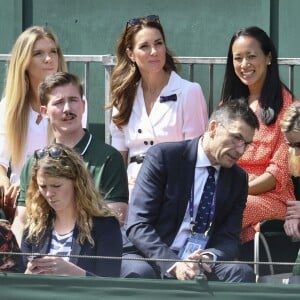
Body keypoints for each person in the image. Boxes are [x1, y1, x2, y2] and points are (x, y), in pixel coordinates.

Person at [121, 98, 259, 282]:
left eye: (246, 144)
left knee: (241, 273)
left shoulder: (238, 179)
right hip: (150, 255)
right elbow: (138, 225)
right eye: (237, 138)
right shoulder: (165, 157)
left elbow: (229, 238)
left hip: (198, 261)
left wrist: (207, 257)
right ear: (213, 128)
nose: (241, 150)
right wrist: (173, 263)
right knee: (139, 273)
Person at [11, 72, 128, 246]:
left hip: (92, 251)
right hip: (41, 253)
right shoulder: (35, 162)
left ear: (83, 105)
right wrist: (22, 262)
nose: (67, 109)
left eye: (73, 100)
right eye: (58, 102)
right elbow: (22, 220)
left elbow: (115, 216)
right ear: (44, 112)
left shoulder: (108, 157)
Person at [107, 15, 208, 196]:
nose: (154, 51)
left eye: (158, 43)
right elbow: (118, 157)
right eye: (144, 46)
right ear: (131, 54)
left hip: (173, 191)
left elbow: (195, 155)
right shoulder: (123, 96)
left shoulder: (189, 92)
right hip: (131, 191)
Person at [0, 26, 87, 221]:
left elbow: (70, 155)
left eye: (53, 52)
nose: (49, 59)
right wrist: (3, 181)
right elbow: (1, 161)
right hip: (18, 199)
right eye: (39, 53)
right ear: (24, 62)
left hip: (58, 192)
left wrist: (30, 186)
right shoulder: (8, 107)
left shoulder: (73, 102)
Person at [220, 26, 296, 244]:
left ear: (268, 57)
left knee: (227, 207)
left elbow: (276, 175)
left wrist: (234, 191)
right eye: (238, 58)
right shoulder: (229, 105)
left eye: (251, 56)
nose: (244, 65)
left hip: (270, 197)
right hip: (231, 191)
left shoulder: (289, 109)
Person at [21, 143, 122, 277]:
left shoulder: (106, 226)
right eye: (43, 186)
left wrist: (70, 271)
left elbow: (110, 287)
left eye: (56, 186)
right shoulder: (34, 226)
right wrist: (28, 274)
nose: (49, 193)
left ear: (77, 182)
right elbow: (20, 284)